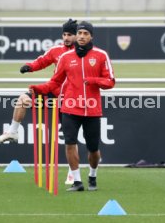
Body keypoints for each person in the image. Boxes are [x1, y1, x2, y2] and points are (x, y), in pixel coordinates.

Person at [29, 21, 115, 192]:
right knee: (69, 144)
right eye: (80, 33)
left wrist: (94, 81)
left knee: (93, 149)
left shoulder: (101, 55)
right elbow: (55, 82)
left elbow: (110, 82)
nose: (82, 36)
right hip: (69, 107)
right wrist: (38, 88)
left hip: (92, 109)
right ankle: (77, 182)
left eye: (85, 33)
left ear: (91, 36)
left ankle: (92, 175)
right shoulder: (65, 58)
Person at [0, 19, 78, 184]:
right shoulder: (56, 50)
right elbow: (42, 61)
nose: (66, 37)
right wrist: (29, 66)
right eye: (64, 34)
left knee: (70, 139)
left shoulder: (81, 53)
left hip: (70, 99)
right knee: (23, 99)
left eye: (70, 34)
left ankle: (72, 173)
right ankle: (12, 132)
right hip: (52, 93)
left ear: (77, 36)